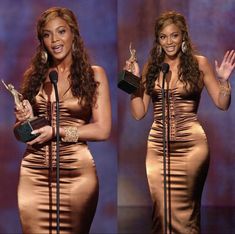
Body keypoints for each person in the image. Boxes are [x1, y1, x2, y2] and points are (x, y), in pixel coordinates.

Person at [125, 11, 234, 233]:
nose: (169, 42)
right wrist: (132, 82)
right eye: (163, 37)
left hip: (192, 146)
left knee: (186, 212)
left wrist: (223, 81)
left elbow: (222, 104)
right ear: (158, 40)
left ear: (183, 36)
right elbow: (138, 113)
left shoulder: (199, 63)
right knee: (161, 211)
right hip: (158, 145)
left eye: (174, 36)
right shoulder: (151, 67)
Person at [14, 7, 111, 234]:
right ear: (42, 41)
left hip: (76, 174)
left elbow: (102, 130)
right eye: (47, 34)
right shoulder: (35, 76)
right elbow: (19, 132)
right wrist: (24, 121)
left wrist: (56, 131)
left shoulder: (94, 74)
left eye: (61, 32)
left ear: (73, 33)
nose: (55, 40)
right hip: (33, 173)